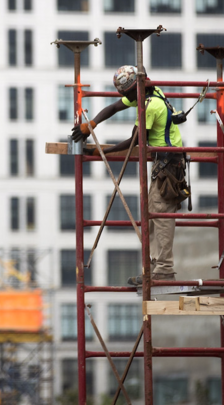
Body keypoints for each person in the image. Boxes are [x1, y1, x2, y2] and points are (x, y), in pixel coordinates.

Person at [71, 65, 188, 284]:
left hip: (169, 166)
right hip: (163, 164)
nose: (123, 97)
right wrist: (92, 124)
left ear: (133, 89)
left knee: (160, 216)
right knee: (152, 215)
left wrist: (102, 151)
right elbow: (114, 107)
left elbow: (135, 140)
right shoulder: (148, 92)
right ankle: (155, 270)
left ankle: (163, 270)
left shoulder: (150, 105)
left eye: (125, 93)